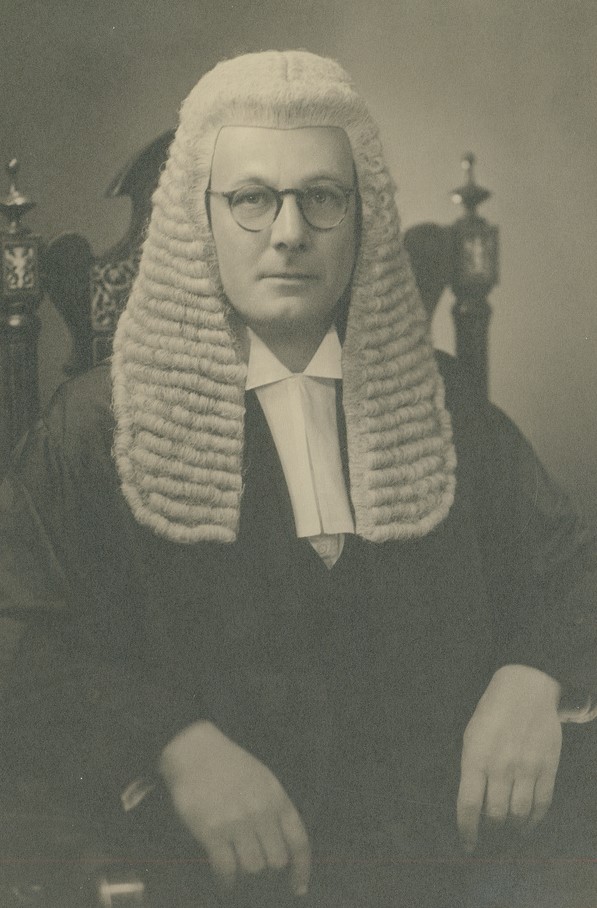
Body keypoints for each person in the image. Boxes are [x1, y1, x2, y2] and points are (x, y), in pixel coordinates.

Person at [2, 50, 597, 907]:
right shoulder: (97, 427)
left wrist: (531, 675)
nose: (288, 232)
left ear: (361, 217)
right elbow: (19, 641)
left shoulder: (439, 402)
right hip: (201, 876)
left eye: (321, 196)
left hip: (441, 868)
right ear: (199, 218)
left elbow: (569, 571)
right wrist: (174, 744)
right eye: (251, 198)